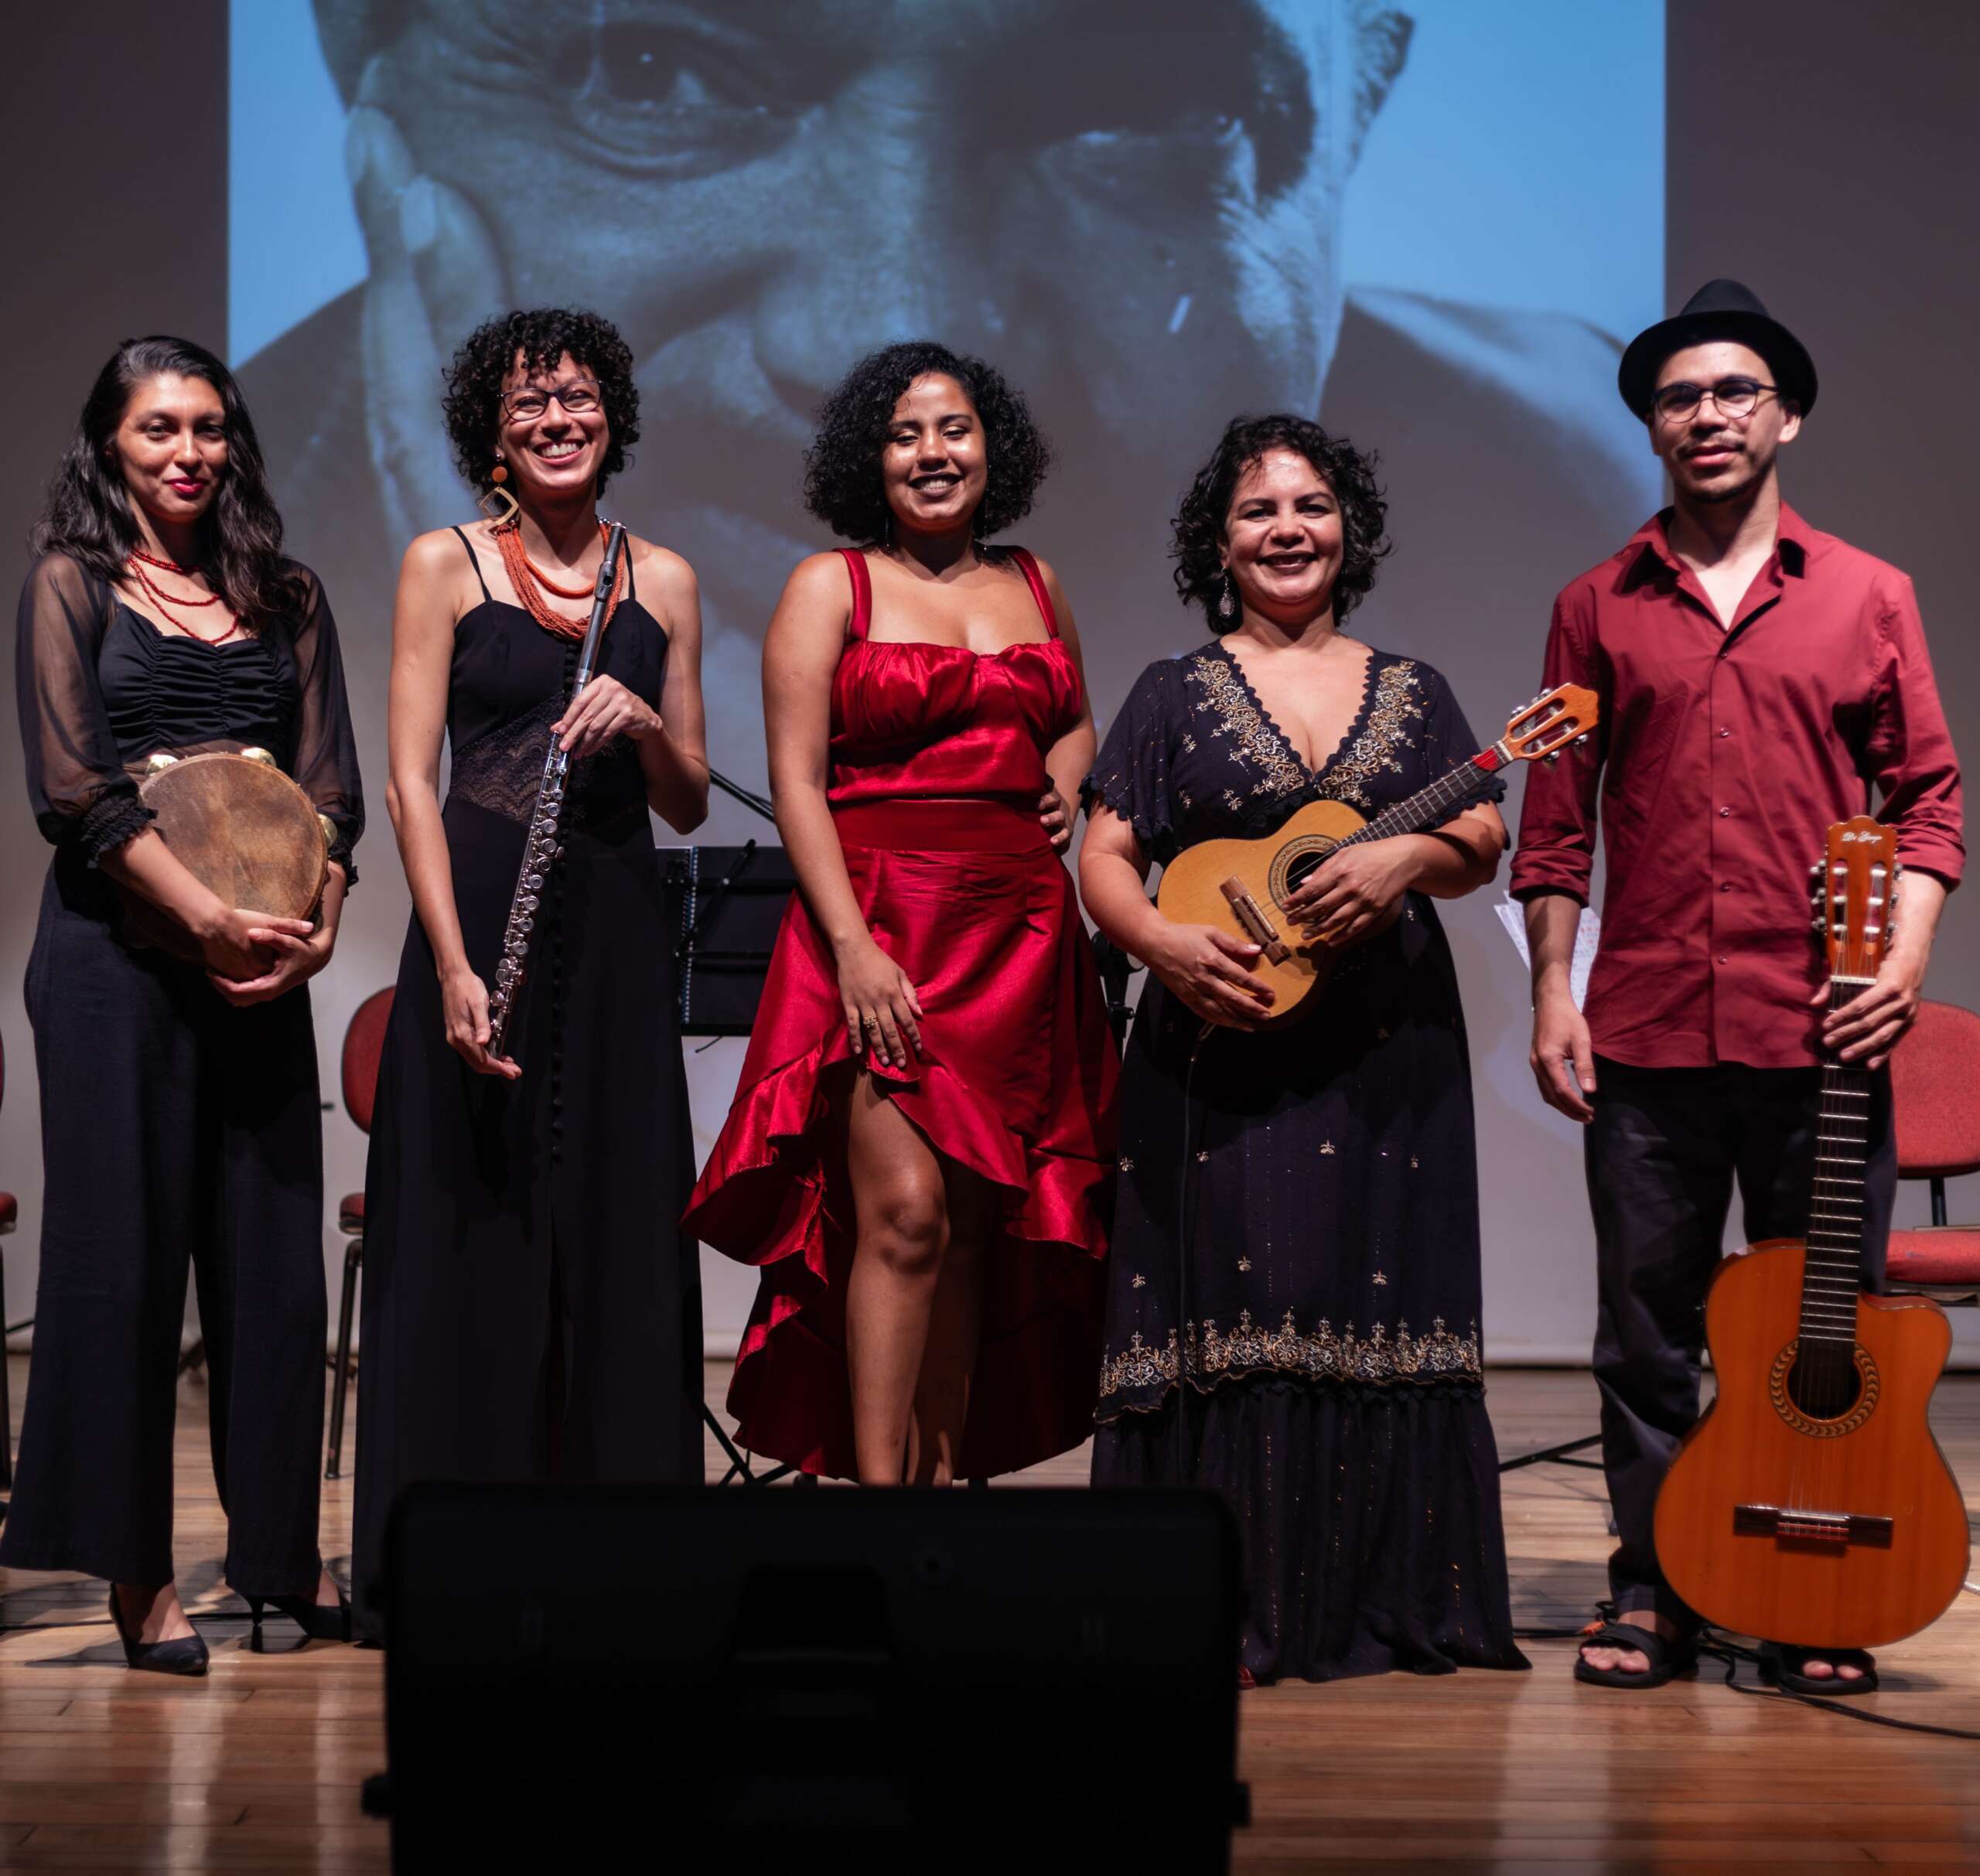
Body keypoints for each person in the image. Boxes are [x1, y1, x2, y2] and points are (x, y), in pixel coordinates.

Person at [246, 0, 1653, 806]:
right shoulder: (227, 587)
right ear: (363, 61)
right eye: (652, 72)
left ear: (1365, 103)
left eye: (1138, 105)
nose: (890, 340)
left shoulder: (1594, 490)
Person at [1512, 280, 1964, 1694]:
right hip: (1645, 1030)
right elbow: (1554, 829)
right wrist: (1552, 989)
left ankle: (1812, 1586)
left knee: (1828, 1334)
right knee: (1644, 1334)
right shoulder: (1594, 606)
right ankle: (1653, 1585)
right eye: (1679, 397)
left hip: (1821, 1033)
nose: (1705, 415)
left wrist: (1903, 962)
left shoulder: (1869, 595)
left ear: (1788, 417)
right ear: (1653, 428)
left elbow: (1930, 805)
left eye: (1733, 391)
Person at [1079, 414, 1527, 1685]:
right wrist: (1158, 945)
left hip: (1388, 1048)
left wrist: (1406, 853)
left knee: (1372, 1288)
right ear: (1218, 544)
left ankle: (1382, 1597)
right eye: (1259, 510)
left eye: (1312, 506)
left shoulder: (1417, 689)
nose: (1288, 529)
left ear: (1349, 530)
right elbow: (1104, 854)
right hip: (1215, 1034)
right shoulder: (1171, 691)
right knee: (1234, 1298)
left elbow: (1482, 841)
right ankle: (1213, 1595)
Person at [684, 342, 1116, 1485]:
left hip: (1021, 937)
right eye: (904, 434)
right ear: (868, 460)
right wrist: (852, 951)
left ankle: (941, 1505)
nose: (933, 452)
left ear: (992, 446)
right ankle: (880, 1513)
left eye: (954, 429)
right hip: (884, 929)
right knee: (908, 1214)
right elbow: (795, 783)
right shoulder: (831, 585)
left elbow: (1075, 717)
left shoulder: (1037, 580)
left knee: (972, 1231)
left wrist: (1066, 778)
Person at [2, 336, 363, 1672]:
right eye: (159, 428)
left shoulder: (288, 595)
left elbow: (333, 793)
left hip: (265, 957)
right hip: (116, 958)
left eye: (208, 427)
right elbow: (75, 794)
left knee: (272, 1266)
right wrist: (202, 916)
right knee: (126, 1263)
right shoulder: (71, 584)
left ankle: (281, 1555)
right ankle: (139, 1576)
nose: (188, 452)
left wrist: (315, 931)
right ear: (111, 442)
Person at [353, 308, 708, 1635]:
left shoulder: (664, 578)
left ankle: (623, 1562)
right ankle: (458, 1556)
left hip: (613, 936)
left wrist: (646, 720)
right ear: (492, 436)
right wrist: (449, 962)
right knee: (474, 1234)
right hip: (480, 918)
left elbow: (684, 798)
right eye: (529, 405)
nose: (557, 420)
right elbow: (410, 779)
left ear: (613, 416)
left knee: (617, 1232)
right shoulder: (439, 564)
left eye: (578, 399)